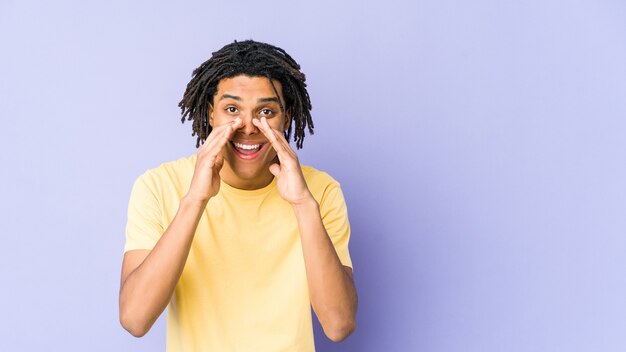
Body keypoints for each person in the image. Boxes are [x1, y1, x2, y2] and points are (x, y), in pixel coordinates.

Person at [119, 40, 357, 351]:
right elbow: (135, 319)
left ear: (285, 117)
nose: (248, 126)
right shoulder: (158, 186)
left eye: (266, 111)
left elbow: (338, 325)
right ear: (210, 113)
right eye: (232, 109)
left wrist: (303, 205)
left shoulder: (321, 192)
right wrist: (195, 200)